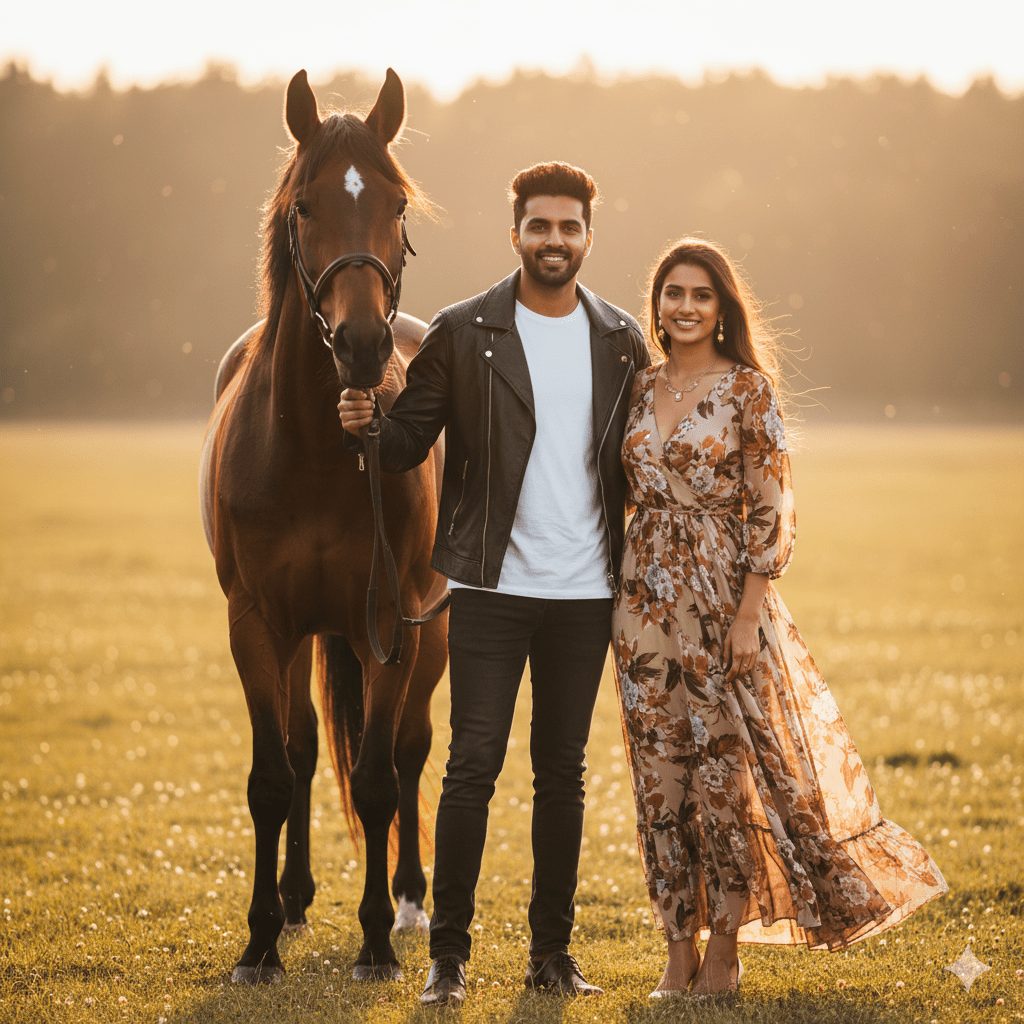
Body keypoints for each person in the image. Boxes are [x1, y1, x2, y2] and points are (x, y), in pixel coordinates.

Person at [339, 162, 650, 1006]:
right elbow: (407, 444)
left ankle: (552, 958)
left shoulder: (621, 339)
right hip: (490, 586)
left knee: (563, 771)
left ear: (589, 235)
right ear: (514, 232)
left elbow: (645, 460)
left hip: (586, 593)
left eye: (569, 228)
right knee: (471, 767)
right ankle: (448, 959)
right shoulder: (464, 327)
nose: (554, 241)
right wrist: (371, 425)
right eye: (539, 226)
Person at [612, 238, 948, 999]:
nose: (685, 307)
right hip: (639, 602)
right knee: (658, 775)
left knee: (724, 775)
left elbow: (771, 504)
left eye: (701, 294)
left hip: (724, 594)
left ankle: (725, 949)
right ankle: (677, 946)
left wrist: (747, 614)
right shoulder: (634, 386)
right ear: (657, 305)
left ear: (723, 308)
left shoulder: (749, 392)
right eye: (673, 293)